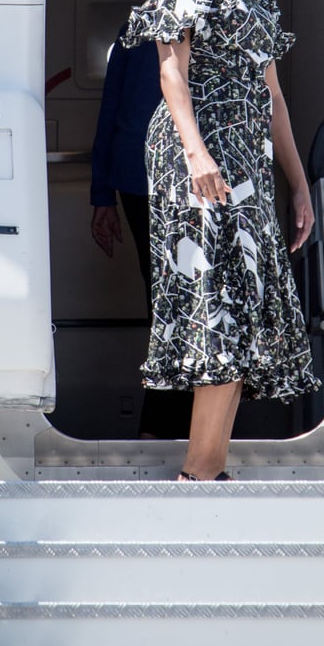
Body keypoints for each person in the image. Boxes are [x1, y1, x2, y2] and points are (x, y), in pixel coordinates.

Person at [122, 0, 321, 481]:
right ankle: (198, 475)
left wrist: (297, 186)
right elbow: (170, 70)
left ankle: (207, 469)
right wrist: (195, 151)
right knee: (218, 304)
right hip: (195, 152)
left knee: (249, 307)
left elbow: (274, 98)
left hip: (248, 159)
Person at [90, 24, 193, 438]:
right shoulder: (192, 20)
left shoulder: (132, 30)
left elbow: (110, 110)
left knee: (167, 305)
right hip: (173, 181)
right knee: (182, 307)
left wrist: (102, 195)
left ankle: (162, 428)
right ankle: (165, 429)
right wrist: (101, 194)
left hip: (138, 178)